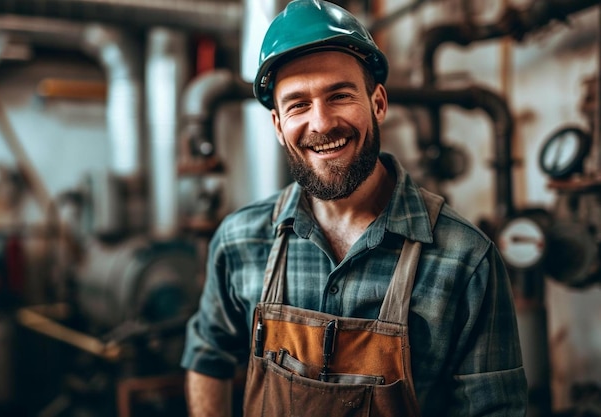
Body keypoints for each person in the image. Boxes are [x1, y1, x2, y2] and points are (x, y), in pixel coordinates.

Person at [181, 0, 528, 416]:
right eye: (297, 105)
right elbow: (207, 357)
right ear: (277, 126)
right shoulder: (239, 240)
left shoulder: (465, 260)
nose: (322, 123)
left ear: (378, 103)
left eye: (339, 95)